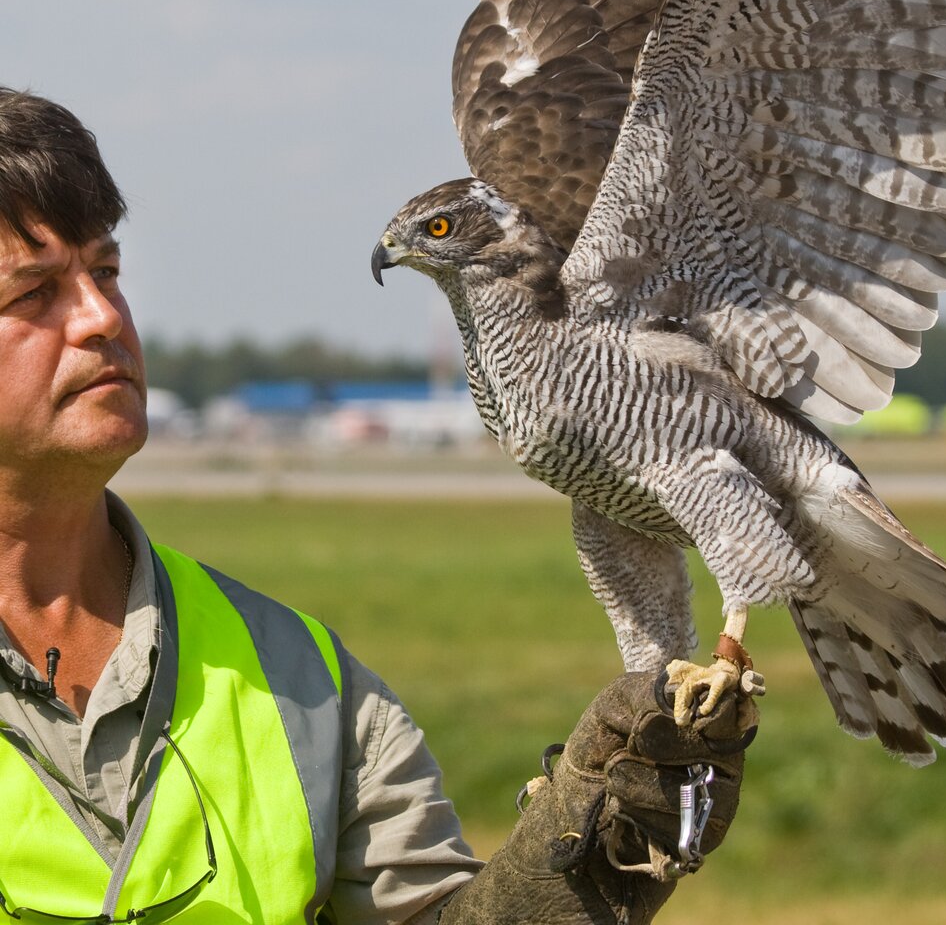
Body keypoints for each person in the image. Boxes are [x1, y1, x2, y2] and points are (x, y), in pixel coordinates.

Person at [0, 87, 748, 923]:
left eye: (105, 271)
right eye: (35, 294)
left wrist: (573, 883)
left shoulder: (303, 679)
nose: (103, 316)